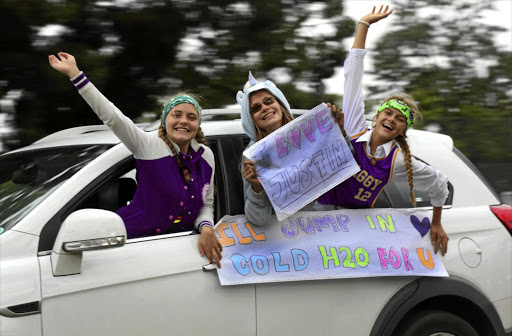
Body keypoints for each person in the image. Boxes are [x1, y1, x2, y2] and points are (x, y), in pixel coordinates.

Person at [48, 52, 223, 267]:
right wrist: (75, 74)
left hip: (179, 252)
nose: (183, 121)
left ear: (198, 124)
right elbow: (112, 117)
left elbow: (206, 203)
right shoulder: (148, 144)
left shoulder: (206, 156)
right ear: (165, 120)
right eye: (176, 114)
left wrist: (206, 228)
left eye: (191, 117)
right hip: (129, 248)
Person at [317, 6, 450, 255]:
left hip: (354, 231)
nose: (392, 119)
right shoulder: (356, 129)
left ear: (402, 131)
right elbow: (353, 78)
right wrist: (363, 25)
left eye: (400, 119)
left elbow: (439, 183)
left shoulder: (397, 160)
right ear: (377, 116)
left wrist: (437, 221)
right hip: (317, 216)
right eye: (388, 113)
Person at [237, 72, 347, 226]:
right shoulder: (252, 158)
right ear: (250, 119)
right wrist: (256, 189)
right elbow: (258, 220)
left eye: (268, 101)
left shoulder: (309, 135)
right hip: (285, 242)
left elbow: (342, 167)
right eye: (256, 108)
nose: (265, 108)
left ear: (280, 104)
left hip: (322, 230)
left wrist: (340, 134)